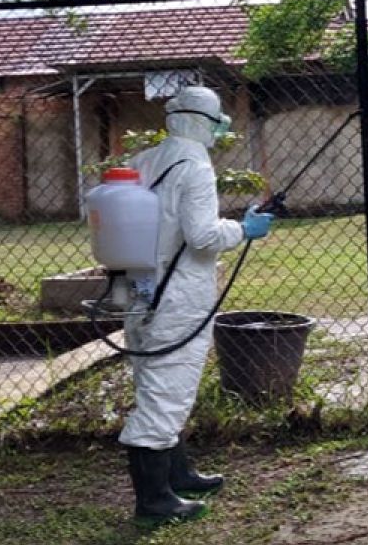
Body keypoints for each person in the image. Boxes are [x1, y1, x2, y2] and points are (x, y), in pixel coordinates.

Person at [120, 85, 274, 524]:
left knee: (156, 381)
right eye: (215, 122)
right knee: (166, 392)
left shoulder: (145, 160)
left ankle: (178, 473)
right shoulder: (195, 165)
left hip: (138, 290)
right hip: (177, 297)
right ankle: (154, 501)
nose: (216, 131)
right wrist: (244, 230)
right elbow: (203, 237)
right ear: (200, 122)